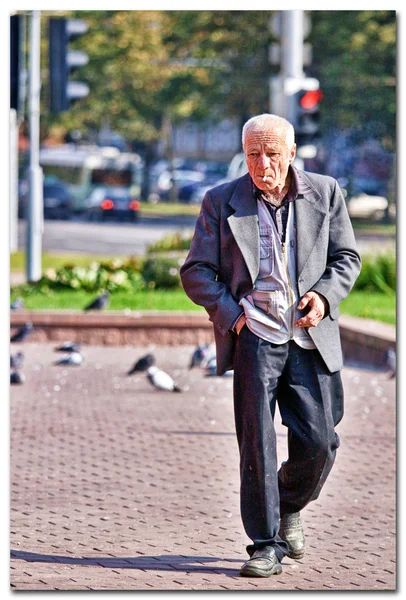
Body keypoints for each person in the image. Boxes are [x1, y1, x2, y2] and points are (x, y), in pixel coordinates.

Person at [180, 113, 361, 578]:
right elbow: (196, 271)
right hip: (255, 335)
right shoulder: (222, 201)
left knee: (320, 442)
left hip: (308, 335)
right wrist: (234, 316)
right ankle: (265, 544)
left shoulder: (326, 192)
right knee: (255, 444)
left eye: (272, 154)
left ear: (292, 153)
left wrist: (322, 296)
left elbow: (346, 258)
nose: (262, 165)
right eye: (253, 155)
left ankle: (288, 504)